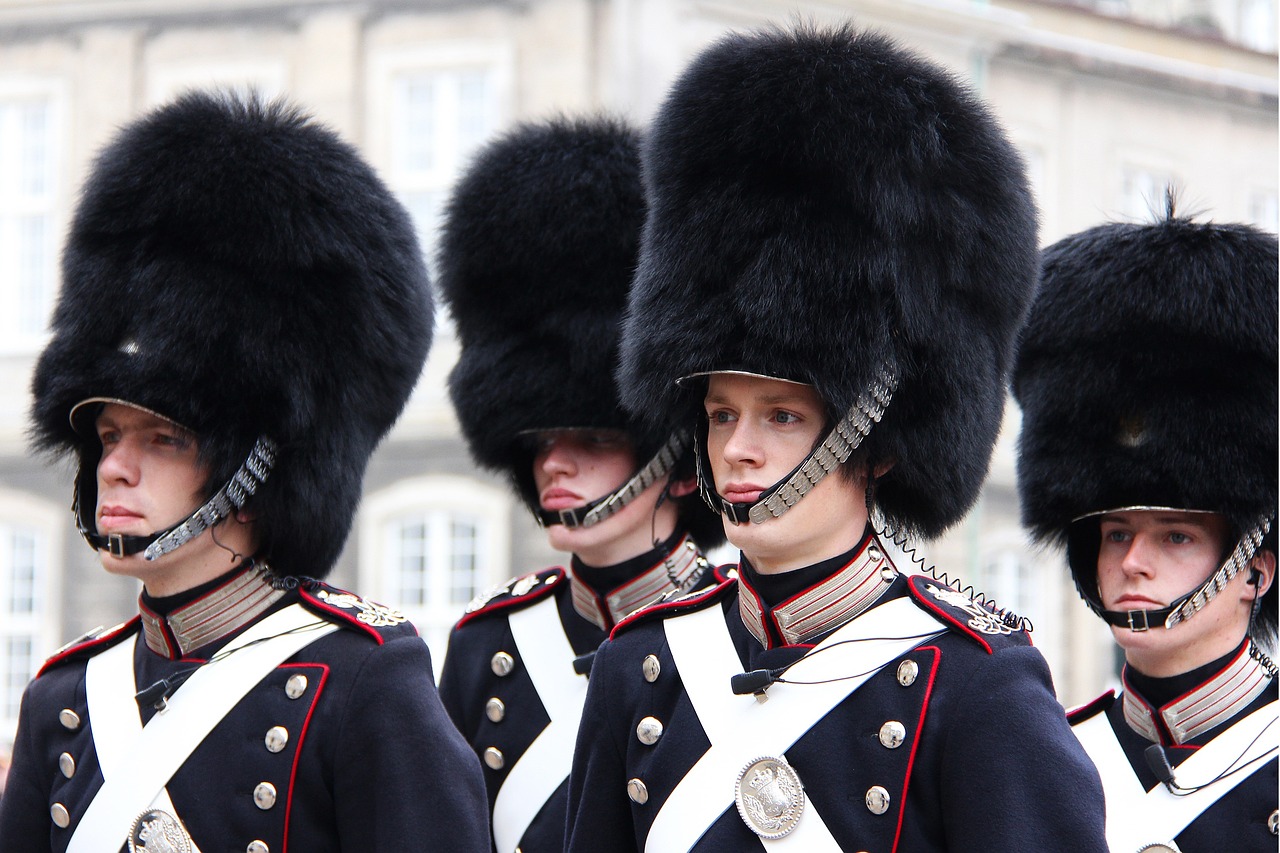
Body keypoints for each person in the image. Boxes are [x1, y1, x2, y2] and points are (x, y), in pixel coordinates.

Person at [564, 24, 1107, 853]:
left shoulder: (978, 680)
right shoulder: (640, 663)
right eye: (720, 414)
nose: (739, 448)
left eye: (783, 415)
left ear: (878, 441)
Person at [0, 91, 489, 852]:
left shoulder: (363, 679)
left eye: (162, 438)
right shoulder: (64, 697)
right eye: (106, 434)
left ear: (257, 468)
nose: (114, 468)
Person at [434, 116, 724, 853]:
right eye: (539, 440)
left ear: (677, 461)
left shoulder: (742, 629)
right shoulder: (489, 642)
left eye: (593, 440)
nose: (553, 465)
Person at [1013, 197, 1278, 852]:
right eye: (1117, 533)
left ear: (1255, 569)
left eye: (1176, 535)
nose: (1133, 561)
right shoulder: (1051, 759)